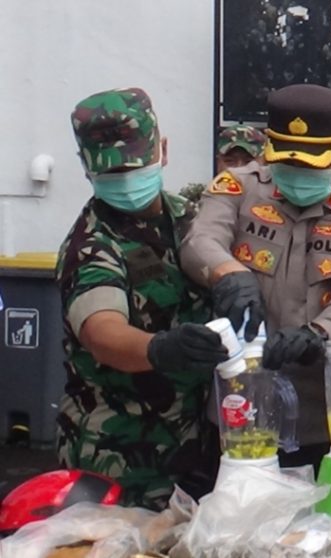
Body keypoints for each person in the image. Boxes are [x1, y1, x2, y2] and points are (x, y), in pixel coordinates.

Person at [181, 84, 331, 467]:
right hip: (236, 413)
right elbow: (200, 240)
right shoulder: (237, 189)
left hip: (321, 423)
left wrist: (318, 334)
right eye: (285, 161)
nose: (297, 173)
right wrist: (230, 274)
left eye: (311, 165)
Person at [56, 87, 228, 509]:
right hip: (118, 461)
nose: (126, 180)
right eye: (112, 172)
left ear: (162, 150)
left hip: (193, 450)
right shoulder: (91, 245)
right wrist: (160, 348)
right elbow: (102, 331)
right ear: (87, 169)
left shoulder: (188, 219)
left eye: (133, 165)